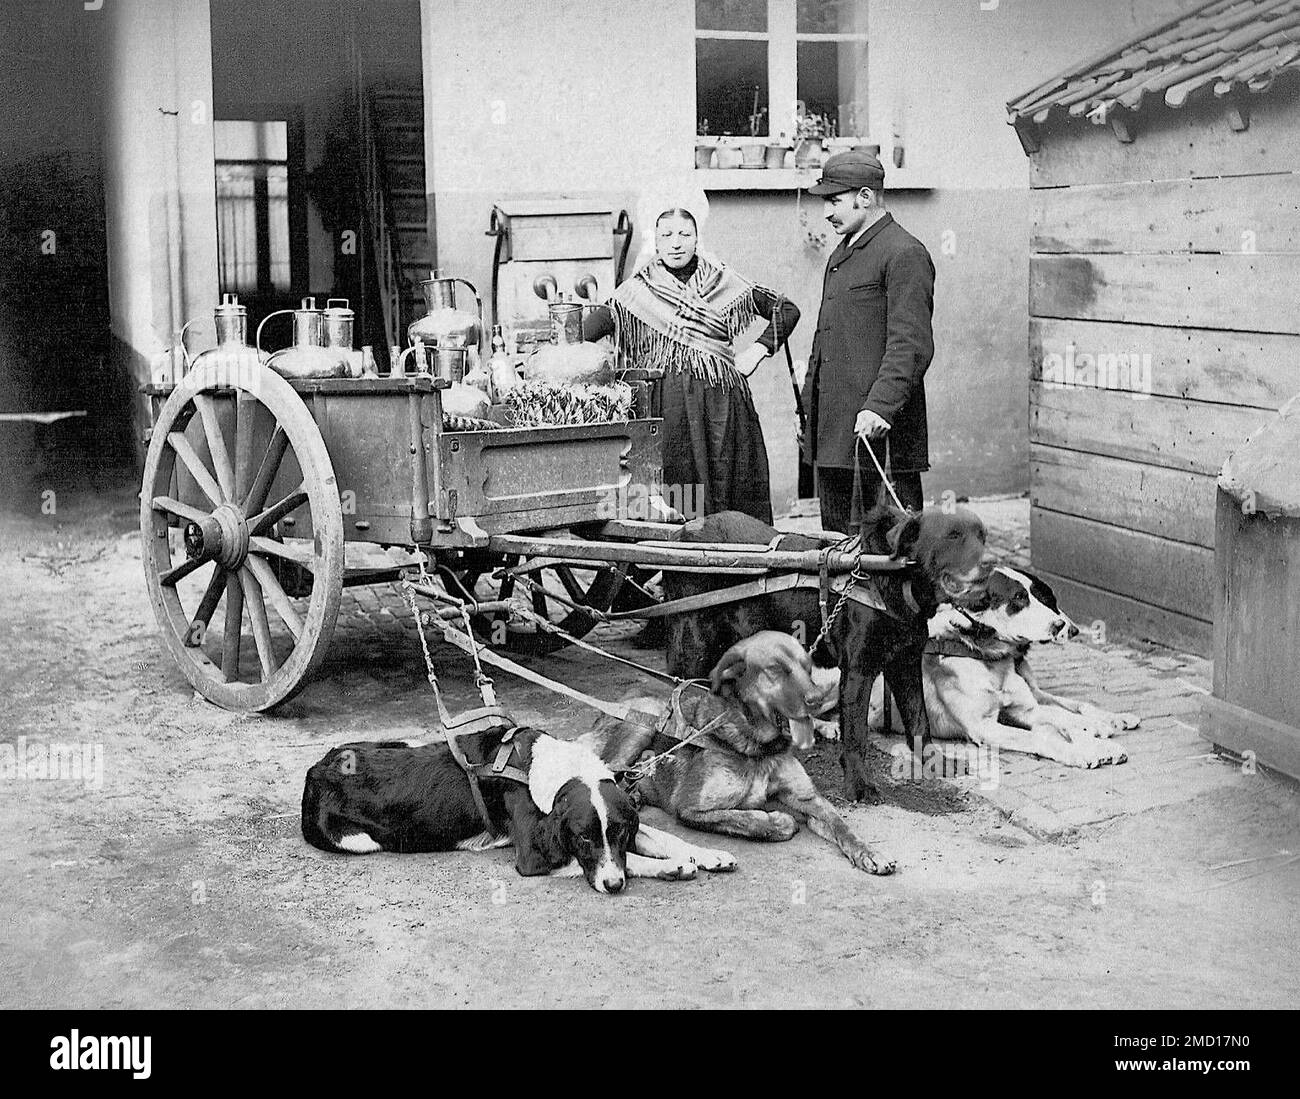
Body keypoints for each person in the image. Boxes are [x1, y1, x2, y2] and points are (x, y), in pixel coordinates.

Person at [583, 208, 799, 524]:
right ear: (655, 243)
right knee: (678, 493)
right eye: (666, 235)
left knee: (728, 483)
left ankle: (736, 563)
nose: (676, 243)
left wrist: (758, 350)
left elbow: (786, 310)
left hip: (723, 411)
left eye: (684, 234)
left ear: (697, 239)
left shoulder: (724, 281)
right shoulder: (635, 293)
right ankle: (684, 569)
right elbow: (589, 329)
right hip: (669, 414)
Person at [801, 151, 936, 535]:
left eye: (833, 200)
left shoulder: (903, 252)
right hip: (835, 437)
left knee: (890, 557)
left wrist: (880, 407)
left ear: (864, 196)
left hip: (879, 433)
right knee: (838, 551)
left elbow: (910, 344)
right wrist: (811, 409)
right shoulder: (840, 254)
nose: (826, 212)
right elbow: (825, 338)